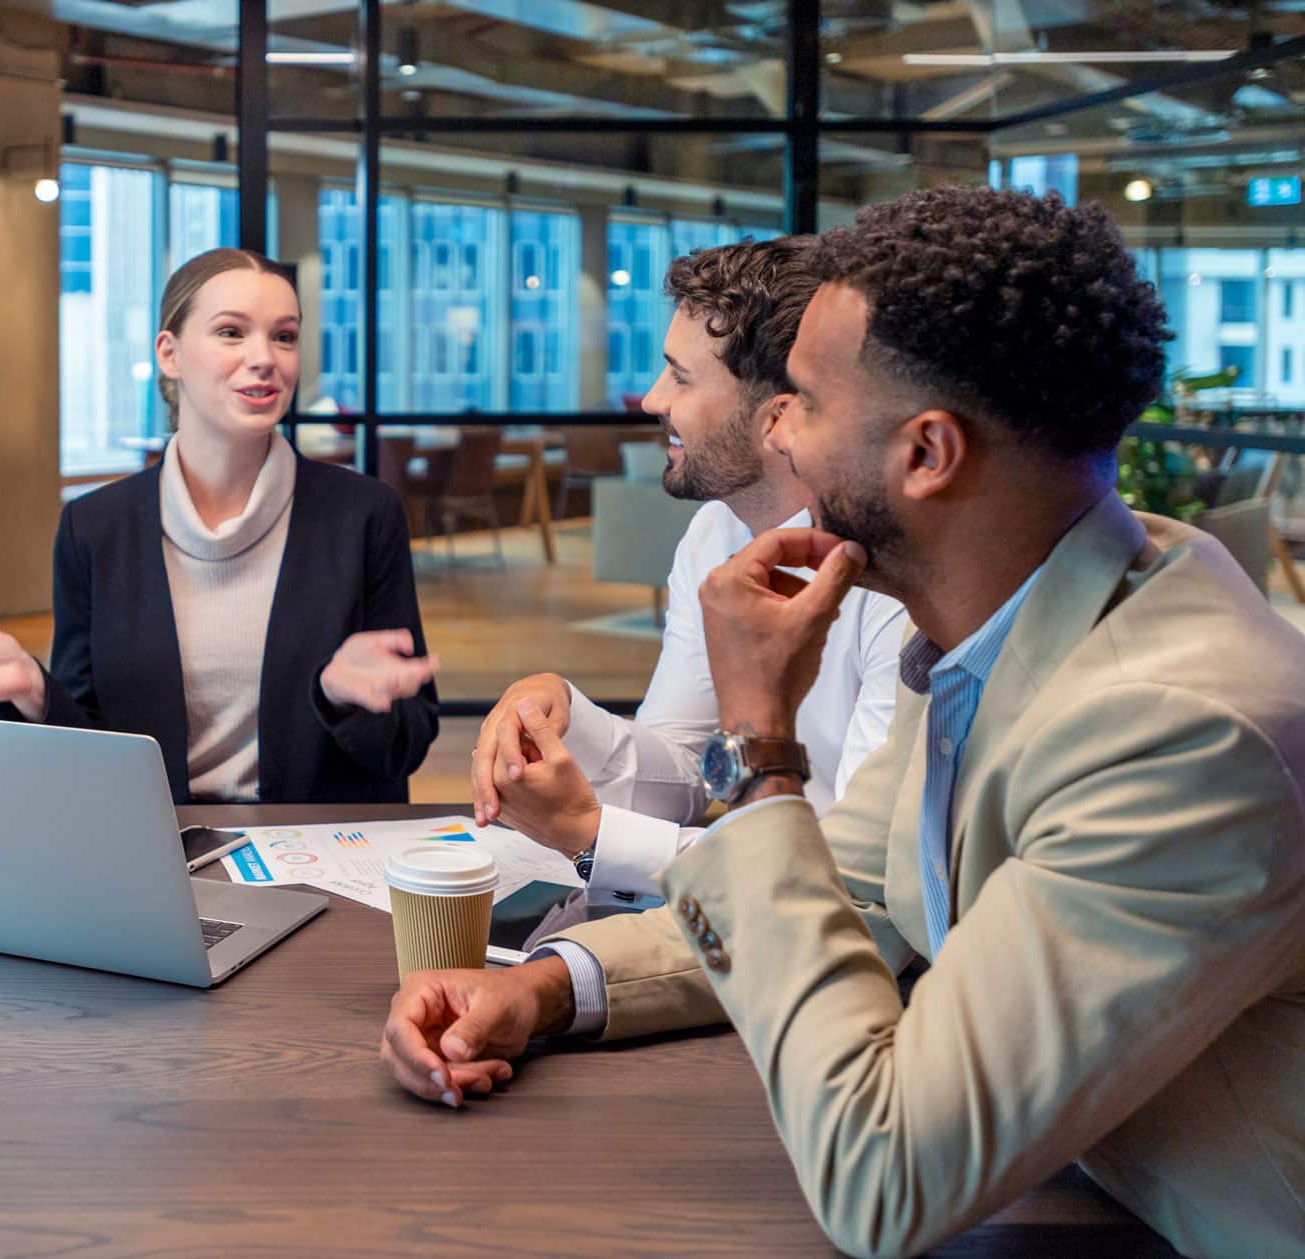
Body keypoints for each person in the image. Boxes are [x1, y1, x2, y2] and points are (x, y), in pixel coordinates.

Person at [377, 187, 1305, 1257]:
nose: (774, 429)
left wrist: (760, 743)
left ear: (926, 453)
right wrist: (543, 988)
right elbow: (857, 893)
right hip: (1060, 1191)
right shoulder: (999, 611)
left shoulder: (1182, 730)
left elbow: (883, 1178)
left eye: (804, 401)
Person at [0, 247, 440, 804]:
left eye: (284, 336)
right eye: (231, 332)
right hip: (160, 850)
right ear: (169, 354)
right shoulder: (95, 528)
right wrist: (35, 690)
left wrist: (347, 701)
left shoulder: (364, 515)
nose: (264, 357)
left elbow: (409, 742)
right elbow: (89, 755)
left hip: (314, 853)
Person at [471, 238, 905, 902]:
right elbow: (686, 771)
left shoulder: (894, 584)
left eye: (679, 375)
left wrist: (591, 835)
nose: (651, 400)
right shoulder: (714, 531)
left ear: (778, 416)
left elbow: (853, 879)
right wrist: (563, 712)